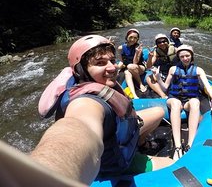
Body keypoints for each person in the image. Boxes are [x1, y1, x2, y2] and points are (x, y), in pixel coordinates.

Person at [31, 35, 174, 185]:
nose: (113, 67)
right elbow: (77, 130)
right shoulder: (86, 102)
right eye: (100, 63)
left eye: (112, 61)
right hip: (113, 163)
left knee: (158, 112)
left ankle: (141, 144)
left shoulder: (93, 83)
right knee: (171, 165)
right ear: (81, 70)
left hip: (120, 134)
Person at [153, 45, 212, 161]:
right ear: (178, 57)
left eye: (187, 56)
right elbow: (165, 88)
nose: (185, 58)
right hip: (174, 98)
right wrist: (158, 78)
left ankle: (190, 144)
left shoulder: (198, 70)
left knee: (195, 102)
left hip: (189, 100)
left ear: (191, 56)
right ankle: (178, 147)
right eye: (182, 56)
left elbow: (208, 87)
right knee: (175, 104)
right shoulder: (173, 69)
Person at [146, 34, 178, 98]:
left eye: (164, 41)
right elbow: (149, 66)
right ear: (157, 44)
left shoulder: (175, 49)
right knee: (149, 78)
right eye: (159, 42)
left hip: (175, 72)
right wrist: (150, 57)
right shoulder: (156, 52)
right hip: (164, 73)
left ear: (168, 42)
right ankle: (163, 95)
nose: (162, 43)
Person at [118, 28, 147, 99]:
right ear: (127, 37)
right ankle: (134, 95)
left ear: (137, 39)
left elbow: (135, 62)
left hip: (139, 67)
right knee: (127, 72)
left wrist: (137, 52)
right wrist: (118, 68)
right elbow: (121, 60)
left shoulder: (138, 47)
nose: (132, 40)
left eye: (135, 38)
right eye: (131, 37)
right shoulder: (121, 48)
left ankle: (140, 84)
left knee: (130, 66)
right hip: (128, 67)